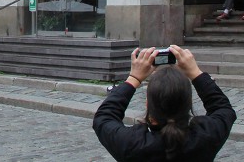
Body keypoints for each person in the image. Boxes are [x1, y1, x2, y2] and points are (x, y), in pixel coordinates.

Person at [92, 44, 236, 161]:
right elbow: (223, 108)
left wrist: (133, 78)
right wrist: (196, 73)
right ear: (189, 102)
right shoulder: (206, 137)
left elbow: (104, 117)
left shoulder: (132, 145)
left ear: (148, 105)